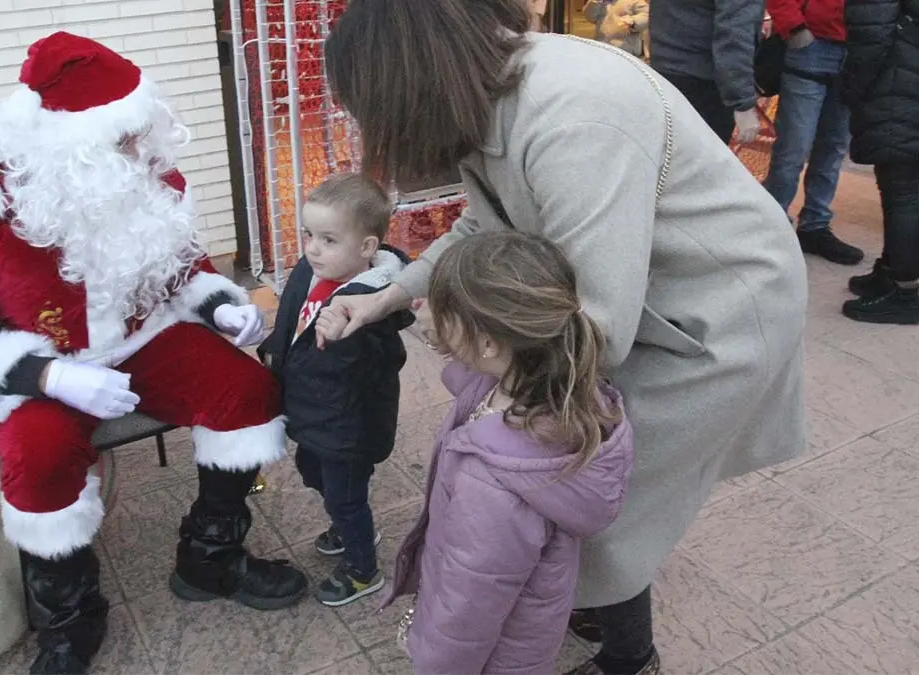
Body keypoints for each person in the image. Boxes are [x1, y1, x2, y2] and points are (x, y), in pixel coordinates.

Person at [320, 2, 808, 674]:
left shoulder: (574, 117)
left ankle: (629, 657)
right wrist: (390, 295)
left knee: (587, 481)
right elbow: (486, 227)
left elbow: (595, 327)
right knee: (572, 476)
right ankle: (590, 602)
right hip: (649, 298)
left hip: (715, 309)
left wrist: (469, 342)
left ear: (406, 84)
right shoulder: (492, 98)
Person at [0, 32, 307, 674]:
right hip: (43, 366)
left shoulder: (142, 171)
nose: (138, 149)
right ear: (65, 142)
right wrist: (49, 377)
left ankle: (210, 560)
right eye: (120, 139)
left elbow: (183, 265)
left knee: (248, 391)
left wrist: (219, 304)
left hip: (144, 340)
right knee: (38, 458)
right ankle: (70, 620)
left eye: (137, 132)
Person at [383, 231, 636, 674]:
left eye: (443, 310)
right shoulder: (552, 389)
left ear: (488, 343)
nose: (430, 314)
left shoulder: (491, 483)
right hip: (523, 640)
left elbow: (468, 607)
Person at [258, 174, 414, 606]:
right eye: (308, 234)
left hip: (348, 426)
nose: (312, 248)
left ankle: (363, 569)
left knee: (345, 496)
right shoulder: (313, 271)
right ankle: (348, 525)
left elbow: (378, 367)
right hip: (313, 412)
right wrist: (274, 348)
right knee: (312, 473)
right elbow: (294, 322)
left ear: (367, 247)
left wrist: (345, 340)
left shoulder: (371, 309)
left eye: (328, 239)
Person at [764, 0, 864, 265]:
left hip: (858, 51)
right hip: (811, 45)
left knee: (834, 146)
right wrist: (794, 27)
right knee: (794, 147)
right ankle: (772, 226)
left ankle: (814, 226)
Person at [839, 0, 919, 324]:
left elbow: (870, 38)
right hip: (907, 80)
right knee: (904, 188)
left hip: (896, 86)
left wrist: (850, 88)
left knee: (902, 192)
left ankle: (907, 291)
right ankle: (891, 272)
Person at [648, 0, 764, 144]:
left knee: (668, 148)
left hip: (665, 62)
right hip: (704, 78)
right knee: (695, 153)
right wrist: (742, 101)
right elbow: (734, 34)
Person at [585, 0, 650, 58]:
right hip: (602, 46)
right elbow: (590, 17)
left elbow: (648, 15)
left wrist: (633, 21)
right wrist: (595, 2)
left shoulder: (634, 1)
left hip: (626, 50)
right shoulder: (599, 2)